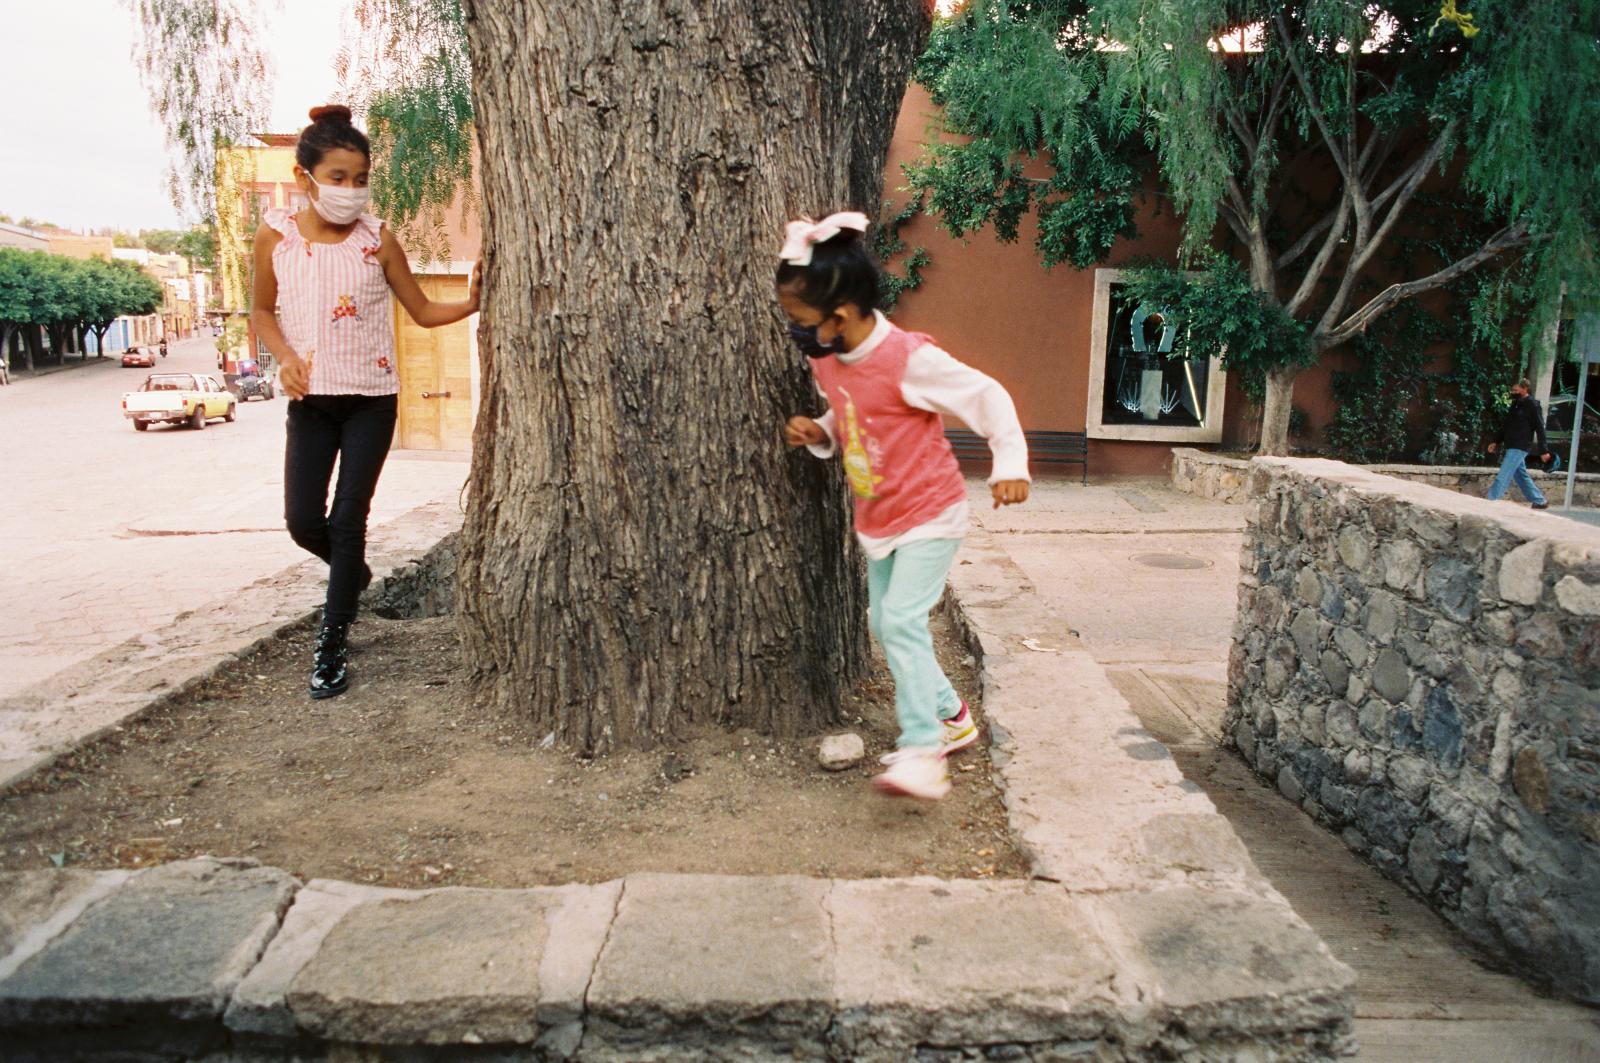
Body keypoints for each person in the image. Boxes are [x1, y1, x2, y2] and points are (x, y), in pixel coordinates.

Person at [779, 212, 1030, 800]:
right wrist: (819, 433)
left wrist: (1011, 462)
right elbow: (853, 421)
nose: (795, 332)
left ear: (839, 318)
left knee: (899, 621)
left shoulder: (907, 359)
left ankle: (923, 749)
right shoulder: (828, 360)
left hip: (930, 513)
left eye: (801, 321)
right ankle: (951, 713)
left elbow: (985, 394)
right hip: (880, 518)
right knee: (882, 623)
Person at [252, 104, 482, 699]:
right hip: (311, 402)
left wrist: (473, 301)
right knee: (304, 522)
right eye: (337, 178)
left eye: (360, 179)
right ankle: (352, 574)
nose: (350, 191)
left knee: (348, 517)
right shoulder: (274, 235)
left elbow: (424, 311)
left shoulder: (379, 239)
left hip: (371, 401)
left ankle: (331, 643)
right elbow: (259, 311)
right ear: (305, 177)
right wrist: (283, 356)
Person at [1486, 377, 1553, 510]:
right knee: (1520, 475)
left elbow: (1540, 428)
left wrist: (1543, 450)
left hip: (1520, 445)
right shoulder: (1516, 404)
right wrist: (1496, 441)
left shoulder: (1533, 405)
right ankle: (1539, 501)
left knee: (1503, 475)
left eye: (1515, 390)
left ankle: (1489, 501)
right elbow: (1506, 425)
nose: (1513, 392)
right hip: (1512, 444)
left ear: (1524, 389)